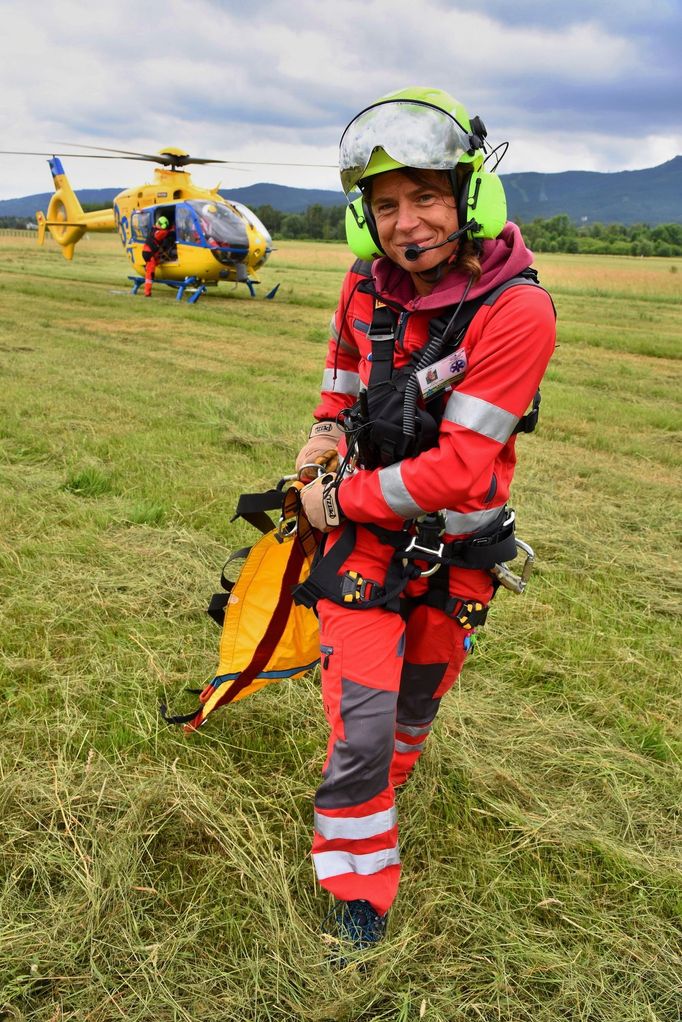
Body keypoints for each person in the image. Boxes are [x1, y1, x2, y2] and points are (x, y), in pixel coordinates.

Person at [294, 86, 556, 957]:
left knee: (413, 711)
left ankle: (375, 789)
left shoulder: (518, 312)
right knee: (363, 727)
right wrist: (328, 428)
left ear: (469, 195)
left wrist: (334, 500)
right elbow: (342, 371)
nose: (407, 225)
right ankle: (359, 889)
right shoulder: (361, 288)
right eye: (387, 206)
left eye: (427, 198)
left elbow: (457, 470)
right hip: (365, 548)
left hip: (460, 555)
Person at [141, 214, 176, 297]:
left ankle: (147, 266)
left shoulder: (154, 229)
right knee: (150, 273)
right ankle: (147, 292)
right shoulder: (159, 232)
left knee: (159, 261)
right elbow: (166, 233)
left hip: (148, 252)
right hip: (149, 253)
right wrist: (172, 229)